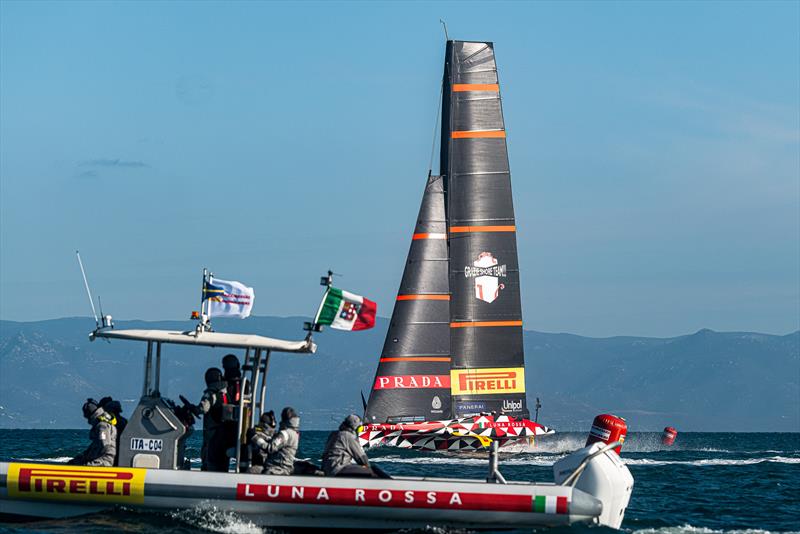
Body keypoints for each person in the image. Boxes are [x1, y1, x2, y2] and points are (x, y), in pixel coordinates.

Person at [193, 367, 228, 472]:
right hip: (224, 434)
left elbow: (203, 409)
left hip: (211, 434)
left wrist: (193, 408)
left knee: (207, 458)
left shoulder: (210, 394)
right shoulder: (225, 394)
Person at [68, 399, 117, 467]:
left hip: (105, 461)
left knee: (82, 466)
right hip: (102, 459)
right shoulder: (102, 423)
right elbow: (96, 447)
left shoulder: (102, 426)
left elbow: (105, 446)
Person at [255, 406, 300, 476]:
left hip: (277, 468)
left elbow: (270, 448)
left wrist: (255, 438)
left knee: (252, 470)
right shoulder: (294, 433)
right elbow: (277, 442)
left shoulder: (285, 433)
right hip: (286, 467)